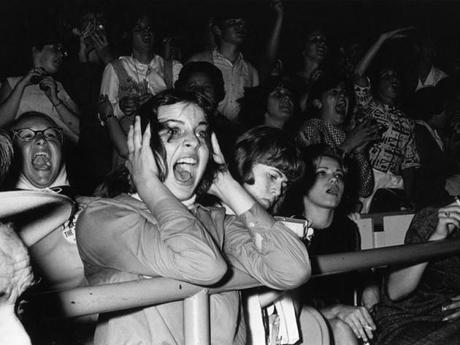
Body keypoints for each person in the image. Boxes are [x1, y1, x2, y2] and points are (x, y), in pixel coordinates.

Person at [76, 90, 311, 345]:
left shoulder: (217, 221)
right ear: (141, 147)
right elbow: (204, 265)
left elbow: (293, 270)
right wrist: (147, 182)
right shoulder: (103, 218)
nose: (194, 143)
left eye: (201, 133)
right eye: (173, 131)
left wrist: (225, 184)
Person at [283, 144, 377, 345]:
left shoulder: (348, 229)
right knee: (340, 328)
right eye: (322, 172)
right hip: (296, 326)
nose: (334, 179)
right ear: (303, 182)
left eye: (339, 175)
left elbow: (356, 282)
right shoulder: (287, 229)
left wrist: (370, 286)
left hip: (341, 320)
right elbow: (287, 312)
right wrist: (336, 311)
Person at [99, 9, 182, 167]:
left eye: (149, 28)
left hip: (165, 152)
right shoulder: (115, 68)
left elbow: (184, 110)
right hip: (127, 155)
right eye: (139, 29)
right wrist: (122, 108)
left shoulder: (173, 68)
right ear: (128, 34)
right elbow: (103, 115)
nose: (146, 33)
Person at [372, 200, 460, 345]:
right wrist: (436, 239)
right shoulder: (437, 218)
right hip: (408, 319)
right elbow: (395, 291)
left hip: (449, 322)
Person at [354, 28, 420, 213]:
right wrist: (382, 39)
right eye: (387, 76)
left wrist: (409, 195)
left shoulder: (407, 121)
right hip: (367, 179)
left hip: (394, 184)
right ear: (376, 84)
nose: (393, 79)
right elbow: (359, 73)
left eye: (395, 76)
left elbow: (409, 164)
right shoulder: (368, 105)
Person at [297, 74, 378, 208]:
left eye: (344, 93)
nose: (342, 97)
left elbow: (365, 190)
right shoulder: (312, 128)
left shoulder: (348, 135)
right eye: (334, 92)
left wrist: (359, 153)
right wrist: (348, 146)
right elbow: (311, 175)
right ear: (318, 102)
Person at [0, 31, 80, 144]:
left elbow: (82, 131)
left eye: (63, 52)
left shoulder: (63, 86)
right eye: (56, 48)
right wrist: (21, 86)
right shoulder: (12, 83)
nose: (61, 55)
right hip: (22, 150)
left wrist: (56, 101)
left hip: (61, 150)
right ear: (36, 50)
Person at [188, 12, 259, 122]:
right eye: (233, 22)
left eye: (242, 23)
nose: (240, 27)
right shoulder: (198, 60)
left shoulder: (251, 70)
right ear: (218, 30)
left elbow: (254, 109)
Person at [174, 61, 242, 160]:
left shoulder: (232, 135)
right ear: (180, 90)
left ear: (219, 93)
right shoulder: (170, 128)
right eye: (192, 87)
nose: (199, 92)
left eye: (207, 88)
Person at [238, 78, 302, 136]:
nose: (287, 98)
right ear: (263, 101)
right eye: (277, 95)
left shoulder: (296, 141)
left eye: (289, 95)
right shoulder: (250, 139)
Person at [291, 28, 329, 112]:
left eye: (323, 40)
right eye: (315, 39)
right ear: (303, 48)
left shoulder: (330, 79)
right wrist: (311, 85)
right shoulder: (291, 80)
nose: (322, 43)